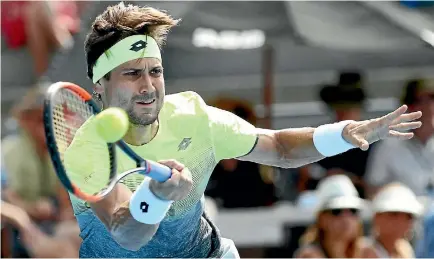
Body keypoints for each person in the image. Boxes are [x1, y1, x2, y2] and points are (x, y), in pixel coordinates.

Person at [65, 2, 422, 258]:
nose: (148, 86)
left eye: (154, 71)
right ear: (101, 84)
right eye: (132, 73)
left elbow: (279, 147)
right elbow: (126, 235)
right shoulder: (86, 150)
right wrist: (156, 198)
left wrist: (341, 134)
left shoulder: (193, 115)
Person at [1, 85, 79, 257]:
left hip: (51, 223)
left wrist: (66, 212)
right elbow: (8, 198)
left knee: (82, 240)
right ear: (24, 120)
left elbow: (64, 196)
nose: (46, 124)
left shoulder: (61, 150)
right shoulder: (9, 150)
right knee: (64, 252)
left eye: (51, 118)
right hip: (22, 228)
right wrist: (31, 209)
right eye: (39, 119)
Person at [298, 72, 371, 198]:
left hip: (360, 200)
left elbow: (375, 183)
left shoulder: (373, 140)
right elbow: (304, 181)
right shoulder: (319, 136)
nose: (342, 114)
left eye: (348, 108)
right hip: (320, 199)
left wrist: (344, 177)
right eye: (339, 108)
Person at [365, 79, 434, 198]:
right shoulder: (388, 145)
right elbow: (372, 190)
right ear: (408, 106)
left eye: (432, 99)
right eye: (419, 101)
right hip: (405, 213)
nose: (428, 106)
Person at [294, 175, 365, 258]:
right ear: (321, 218)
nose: (346, 218)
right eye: (336, 211)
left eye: (353, 210)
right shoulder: (309, 256)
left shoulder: (366, 253)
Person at [360, 183, 423, 258]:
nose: (401, 222)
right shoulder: (362, 252)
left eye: (408, 216)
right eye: (394, 214)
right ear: (377, 217)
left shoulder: (405, 250)